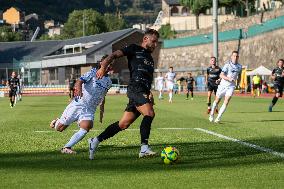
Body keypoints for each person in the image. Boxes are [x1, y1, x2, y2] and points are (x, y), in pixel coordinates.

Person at [88, 29, 159, 160]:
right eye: (153, 41)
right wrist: (103, 67)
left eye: (157, 42)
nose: (155, 45)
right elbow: (113, 56)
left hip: (143, 90)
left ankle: (95, 140)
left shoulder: (150, 58)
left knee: (123, 124)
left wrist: (149, 93)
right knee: (149, 113)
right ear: (145, 39)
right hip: (135, 88)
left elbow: (147, 77)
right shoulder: (133, 48)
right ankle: (144, 148)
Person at [49, 56, 112, 154]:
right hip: (78, 104)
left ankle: (67, 147)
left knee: (86, 127)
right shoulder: (93, 72)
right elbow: (80, 81)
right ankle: (56, 122)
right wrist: (78, 88)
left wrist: (101, 111)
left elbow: (102, 97)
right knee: (59, 128)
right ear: (101, 63)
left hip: (90, 109)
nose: (109, 66)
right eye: (108, 63)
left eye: (111, 64)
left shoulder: (108, 82)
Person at [209, 51, 242, 123]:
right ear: (231, 56)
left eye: (237, 56)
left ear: (238, 57)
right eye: (234, 56)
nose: (235, 57)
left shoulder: (239, 66)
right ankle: (211, 114)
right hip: (223, 85)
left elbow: (239, 76)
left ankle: (218, 117)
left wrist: (238, 83)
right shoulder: (227, 65)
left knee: (226, 102)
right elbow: (221, 75)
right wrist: (229, 78)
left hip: (231, 86)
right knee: (217, 101)